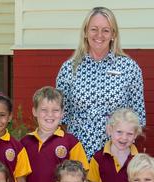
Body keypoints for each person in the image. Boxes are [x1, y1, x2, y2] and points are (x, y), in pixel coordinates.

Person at [56, 6, 145, 158]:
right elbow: (60, 117)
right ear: (85, 32)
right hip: (78, 155)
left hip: (115, 154)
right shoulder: (69, 68)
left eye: (105, 30)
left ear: (113, 34)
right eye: (94, 29)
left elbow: (138, 117)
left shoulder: (129, 68)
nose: (99, 35)